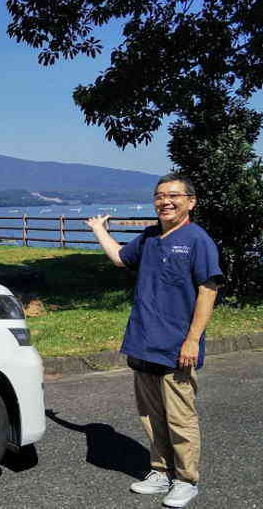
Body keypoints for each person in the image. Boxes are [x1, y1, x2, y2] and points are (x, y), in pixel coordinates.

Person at [85, 173, 222, 508]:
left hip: (177, 348)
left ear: (191, 201)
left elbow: (209, 290)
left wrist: (192, 340)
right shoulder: (149, 238)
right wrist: (99, 230)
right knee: (150, 415)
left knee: (180, 418)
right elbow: (120, 257)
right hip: (143, 343)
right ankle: (160, 471)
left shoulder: (196, 239)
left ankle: (186, 480)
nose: (165, 201)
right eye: (160, 195)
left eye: (174, 195)